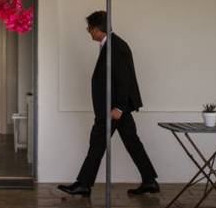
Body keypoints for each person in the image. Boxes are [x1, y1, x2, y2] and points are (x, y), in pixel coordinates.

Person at [58, 10, 159, 197]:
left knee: (98, 143)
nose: (88, 31)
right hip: (115, 108)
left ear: (97, 29)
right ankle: (149, 180)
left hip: (113, 109)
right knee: (131, 143)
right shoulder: (111, 44)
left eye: (89, 28)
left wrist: (119, 107)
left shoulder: (115, 46)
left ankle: (83, 184)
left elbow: (124, 78)